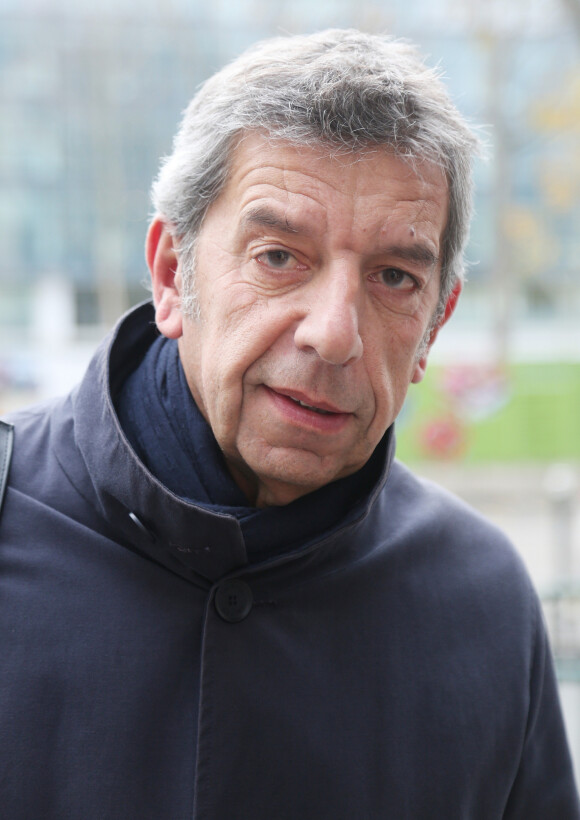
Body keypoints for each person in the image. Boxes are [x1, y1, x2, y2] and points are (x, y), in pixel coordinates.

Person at [0, 29, 578, 820]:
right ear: (173, 275)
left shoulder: (484, 600)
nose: (334, 333)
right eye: (279, 257)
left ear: (434, 326)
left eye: (394, 277)